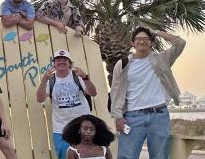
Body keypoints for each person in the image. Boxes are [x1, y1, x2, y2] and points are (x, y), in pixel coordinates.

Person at [111, 27, 185, 159]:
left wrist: (156, 32)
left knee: (159, 156)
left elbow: (180, 43)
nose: (142, 41)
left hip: (159, 116)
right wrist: (118, 117)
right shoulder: (122, 64)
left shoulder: (162, 59)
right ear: (132, 43)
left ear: (151, 42)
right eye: (138, 39)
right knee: (126, 156)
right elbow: (115, 92)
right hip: (132, 117)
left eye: (146, 39)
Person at [36, 49, 97, 159]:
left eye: (65, 60)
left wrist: (85, 77)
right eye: (58, 60)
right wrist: (43, 81)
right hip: (61, 129)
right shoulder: (50, 80)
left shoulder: (78, 76)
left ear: (70, 63)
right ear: (54, 63)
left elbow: (93, 93)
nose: (61, 62)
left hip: (84, 127)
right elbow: (40, 99)